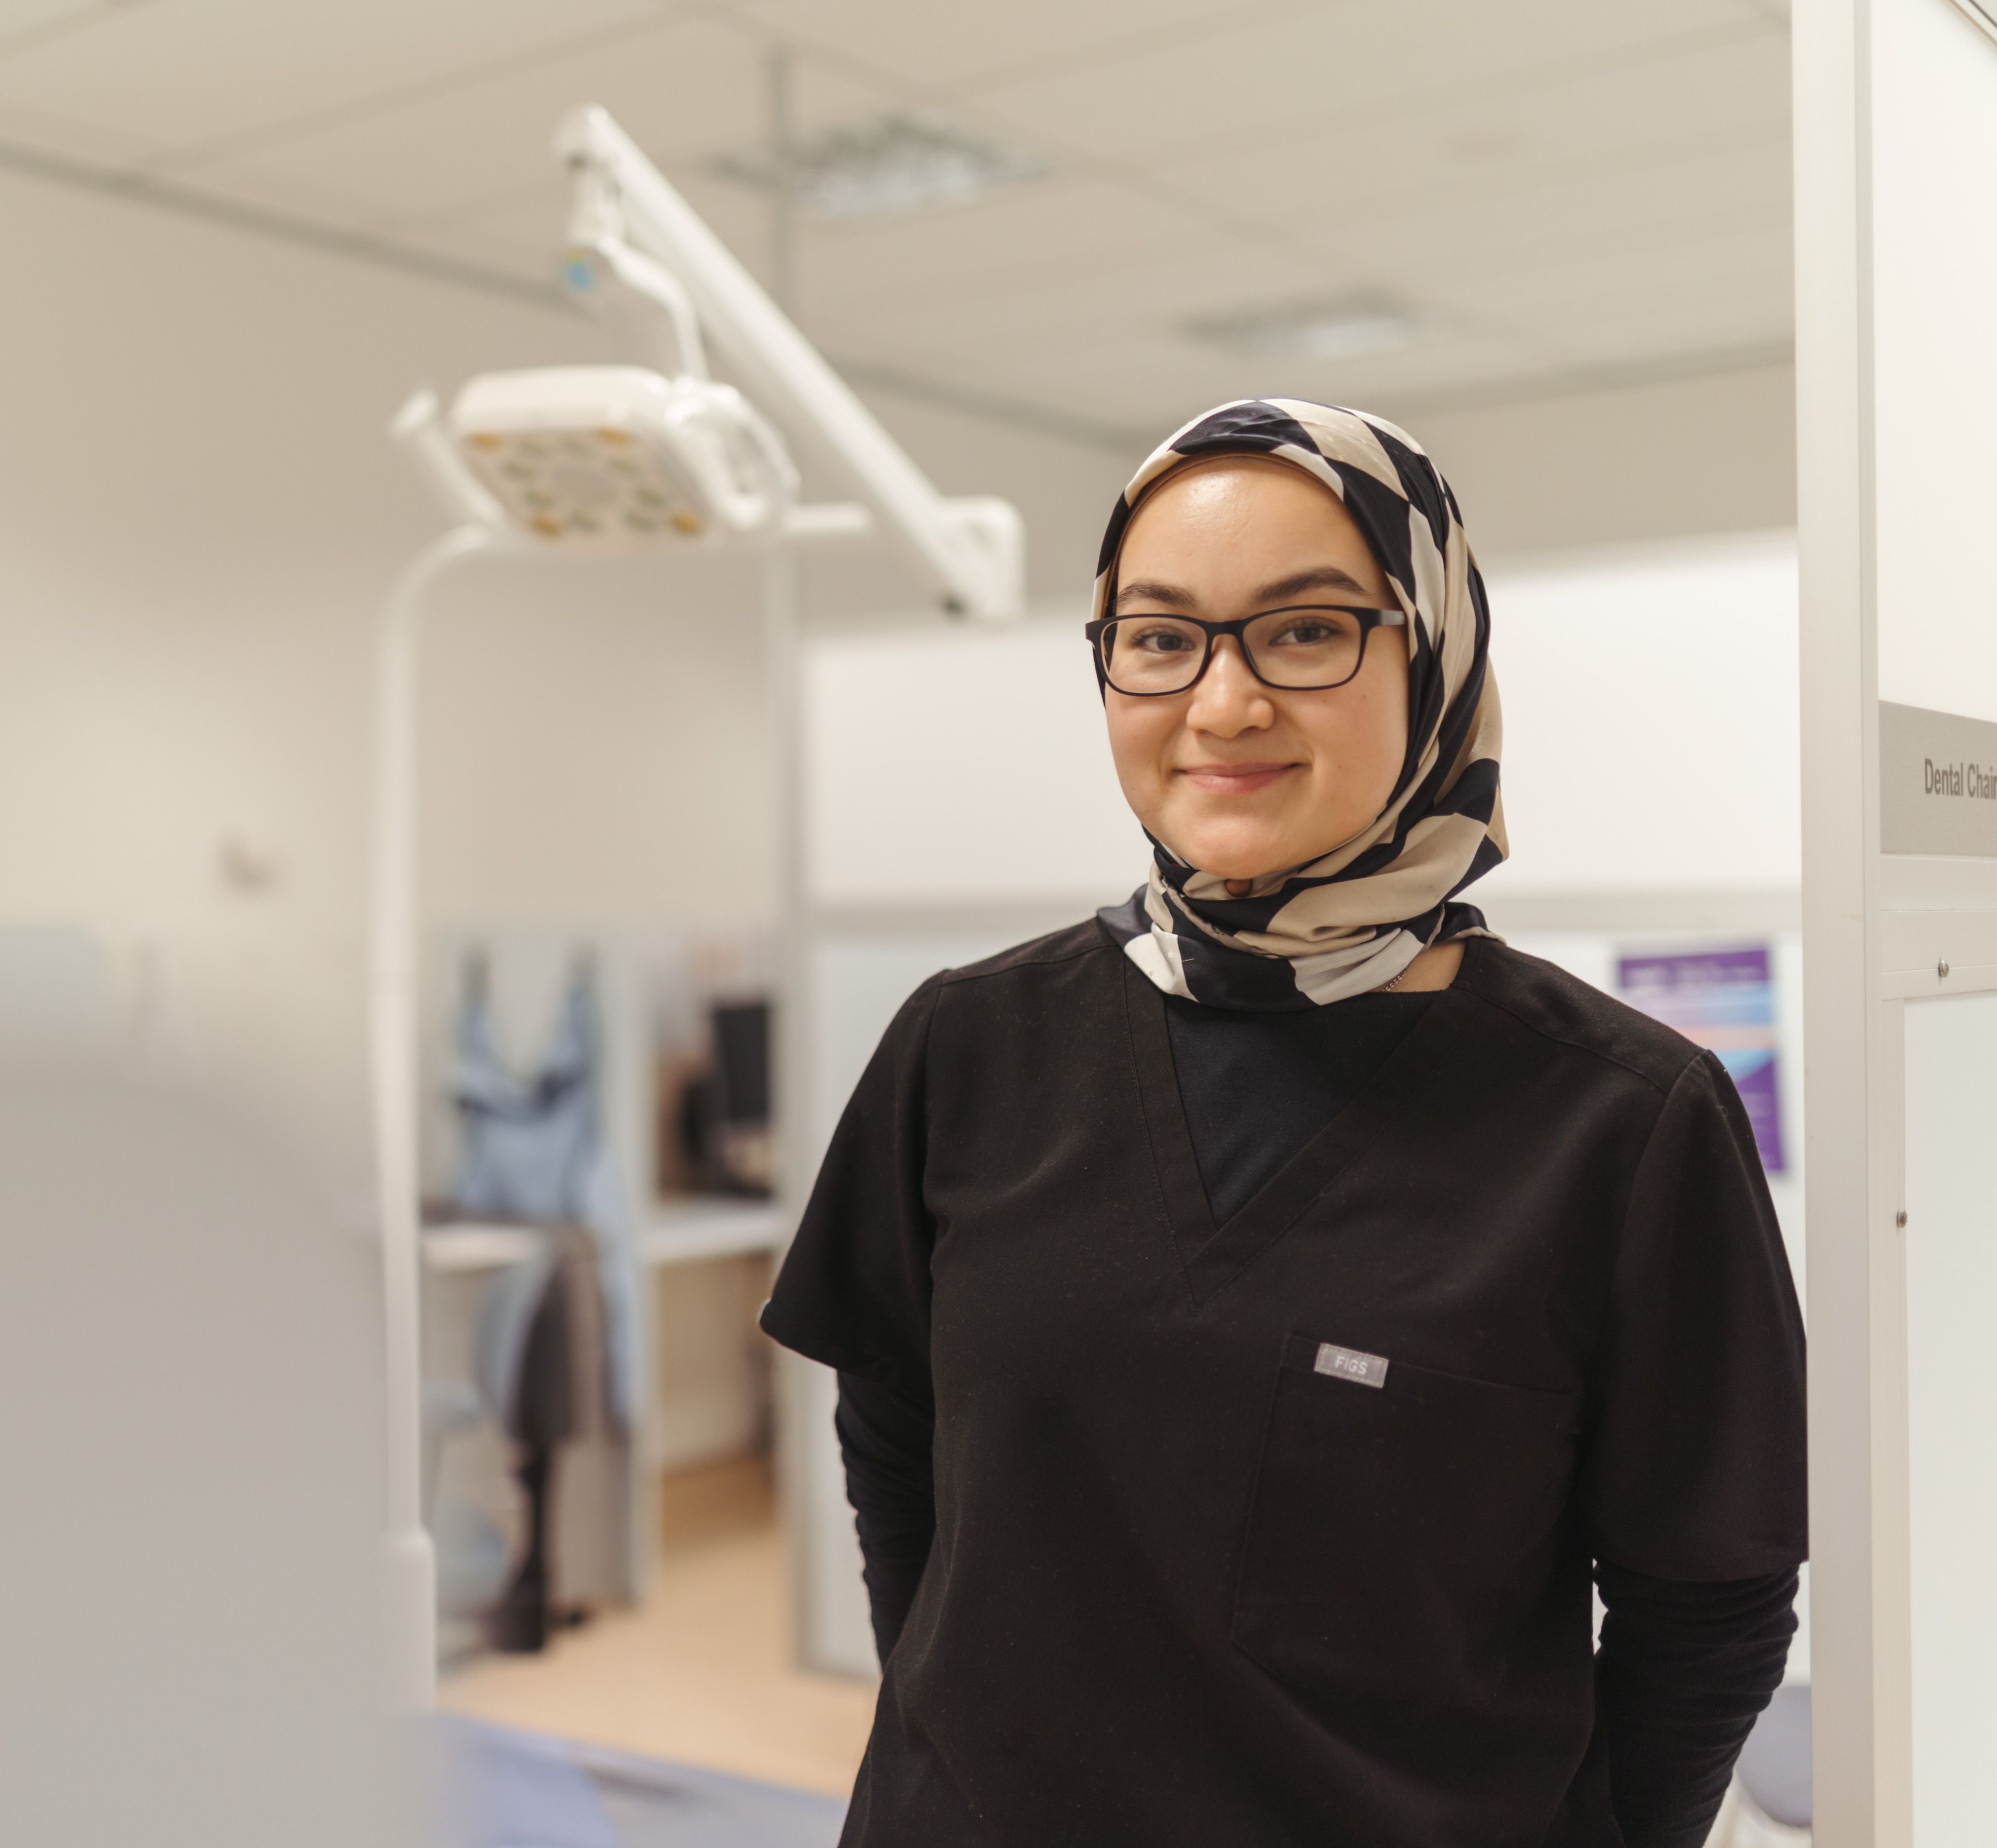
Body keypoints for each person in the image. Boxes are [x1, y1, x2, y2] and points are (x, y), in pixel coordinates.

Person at [760, 399, 1805, 1847]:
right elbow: (895, 1432)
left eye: (1306, 632)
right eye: (1160, 636)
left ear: (1433, 650)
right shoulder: (972, 1044)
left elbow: (1711, 1603)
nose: (1223, 704)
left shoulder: (1622, 1124)